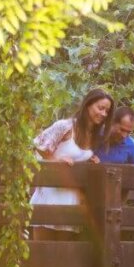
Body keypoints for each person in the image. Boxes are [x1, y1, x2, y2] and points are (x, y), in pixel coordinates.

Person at [30, 88, 114, 237]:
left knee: (65, 255)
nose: (103, 114)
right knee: (41, 253)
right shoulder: (66, 126)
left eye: (107, 111)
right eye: (100, 108)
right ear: (88, 104)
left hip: (71, 201)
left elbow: (77, 158)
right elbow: (37, 145)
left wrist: (92, 162)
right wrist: (56, 160)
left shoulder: (95, 136)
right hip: (49, 197)